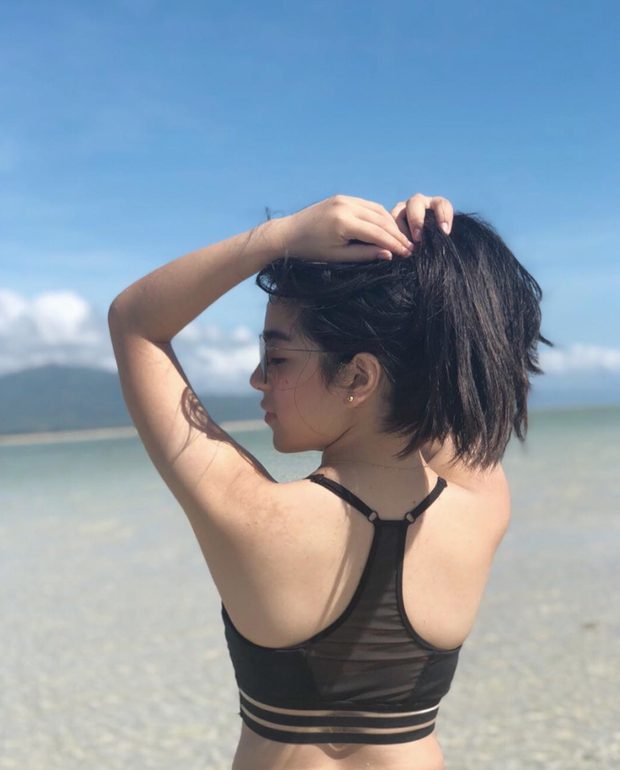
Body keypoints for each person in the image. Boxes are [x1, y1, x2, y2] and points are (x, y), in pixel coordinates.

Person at [108, 192, 550, 770]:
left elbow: (135, 322)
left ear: (359, 377)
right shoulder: (481, 508)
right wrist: (434, 253)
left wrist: (280, 236)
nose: (257, 378)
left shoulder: (253, 517)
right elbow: (454, 364)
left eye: (278, 359)